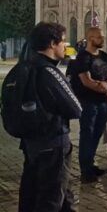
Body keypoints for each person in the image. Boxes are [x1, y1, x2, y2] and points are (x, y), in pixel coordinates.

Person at [18, 23, 82, 211]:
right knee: (51, 199)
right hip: (53, 145)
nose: (65, 46)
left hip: (30, 144)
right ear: (52, 44)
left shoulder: (23, 67)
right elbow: (76, 108)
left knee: (33, 194)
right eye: (63, 41)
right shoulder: (48, 71)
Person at [73, 27, 107, 183]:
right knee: (87, 135)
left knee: (97, 134)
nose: (103, 40)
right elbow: (87, 81)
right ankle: (85, 170)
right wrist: (106, 89)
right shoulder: (83, 58)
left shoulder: (104, 56)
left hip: (104, 103)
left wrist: (106, 83)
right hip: (88, 103)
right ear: (91, 38)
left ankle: (90, 163)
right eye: (100, 37)